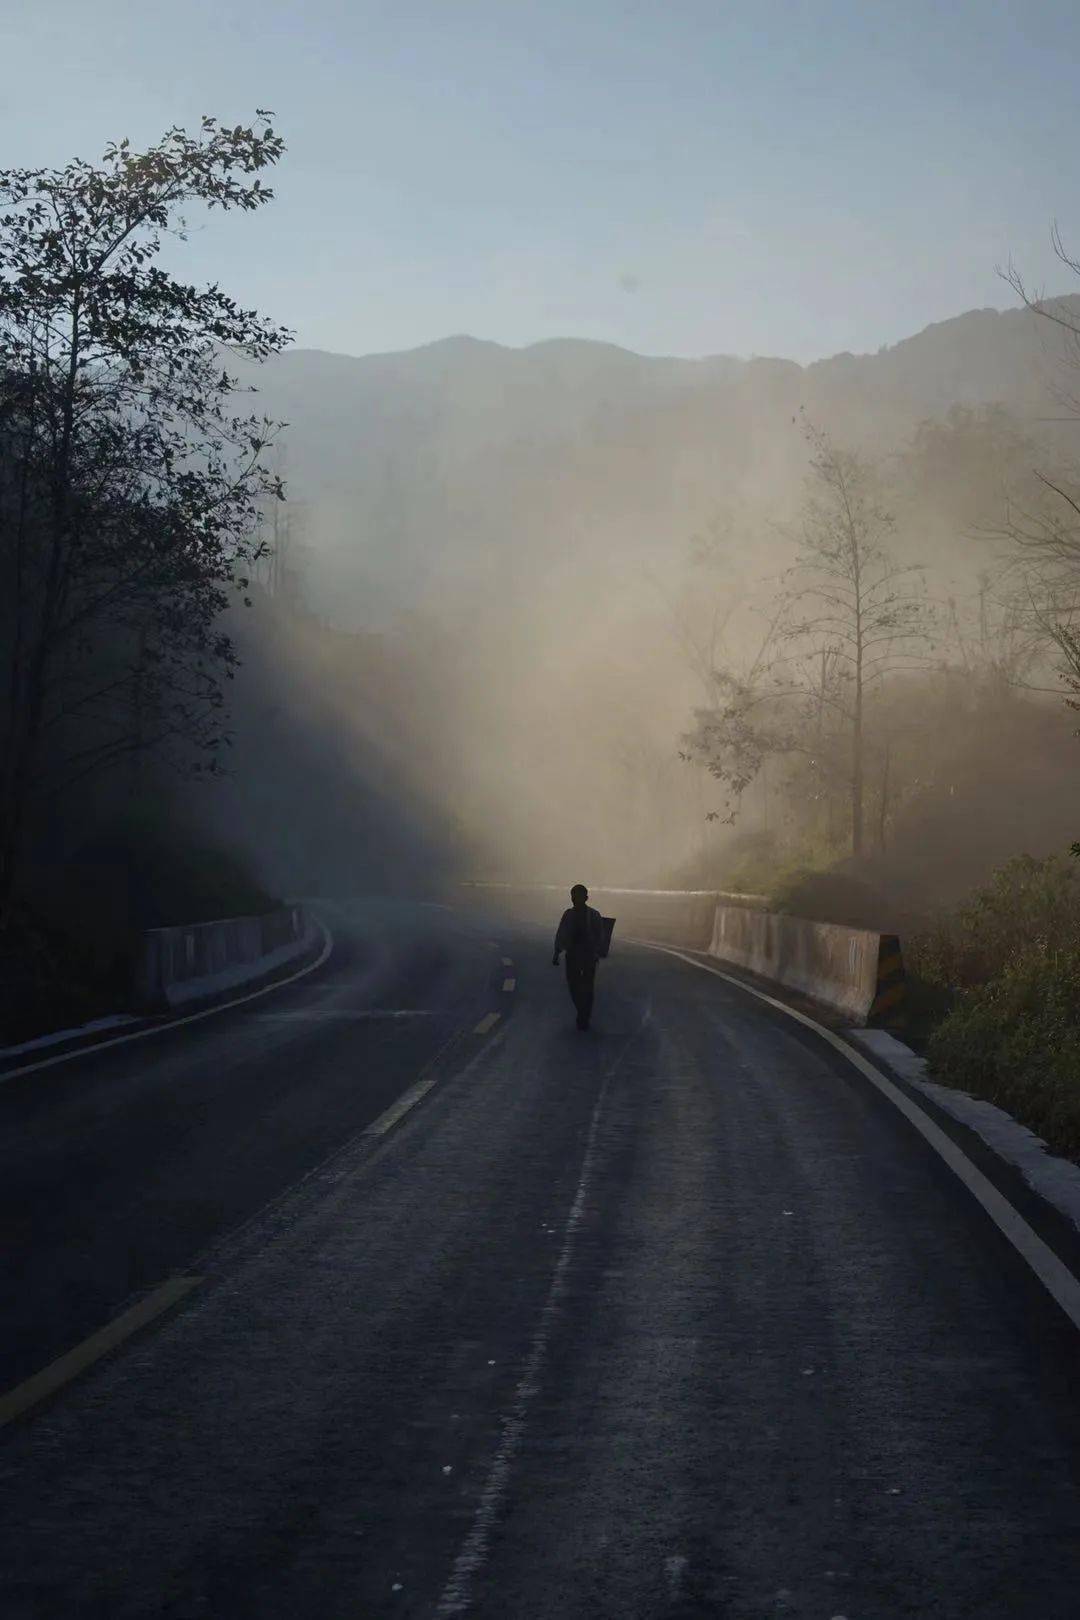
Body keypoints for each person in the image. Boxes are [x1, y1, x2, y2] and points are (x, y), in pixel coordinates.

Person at [552, 883, 605, 1030]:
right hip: (573, 956)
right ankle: (582, 1012)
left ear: (586, 898)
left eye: (578, 897)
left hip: (588, 956)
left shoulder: (594, 915)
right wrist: (557, 953)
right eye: (574, 896)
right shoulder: (569, 915)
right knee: (574, 987)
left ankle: (584, 1015)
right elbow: (561, 934)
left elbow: (600, 936)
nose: (575, 899)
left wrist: (596, 951)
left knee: (587, 987)